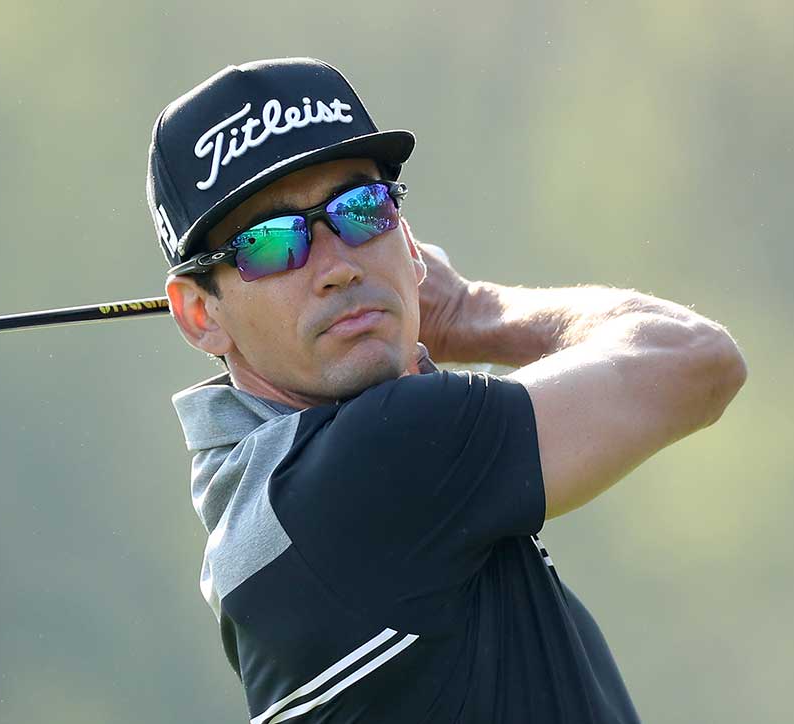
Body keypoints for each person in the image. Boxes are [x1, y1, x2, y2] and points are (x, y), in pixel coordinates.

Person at [145, 57, 746, 724]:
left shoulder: (254, 509)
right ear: (200, 314)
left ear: (403, 236)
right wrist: (470, 311)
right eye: (269, 243)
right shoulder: (385, 452)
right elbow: (695, 358)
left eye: (361, 209)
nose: (338, 267)